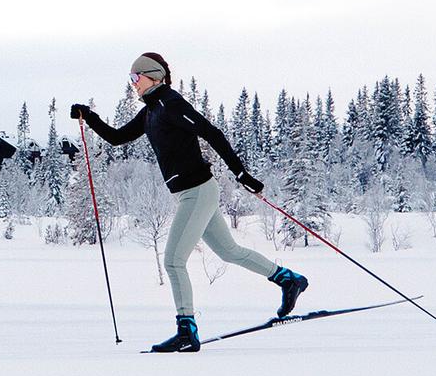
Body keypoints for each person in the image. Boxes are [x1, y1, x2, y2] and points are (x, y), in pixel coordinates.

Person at [70, 52, 308, 353]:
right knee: (229, 251)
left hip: (198, 191)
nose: (133, 83)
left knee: (172, 260)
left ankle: (187, 331)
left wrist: (241, 173)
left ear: (154, 76)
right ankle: (289, 280)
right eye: (130, 78)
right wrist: (88, 117)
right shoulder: (150, 112)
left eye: (136, 77)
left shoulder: (170, 104)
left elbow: (211, 132)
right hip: (191, 193)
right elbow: (117, 137)